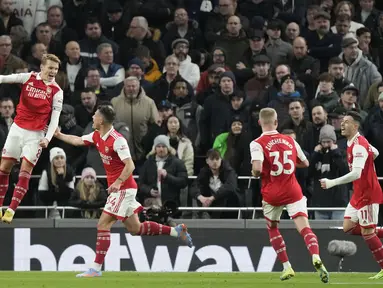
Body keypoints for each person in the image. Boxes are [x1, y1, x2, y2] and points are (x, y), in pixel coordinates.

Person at [54, 104, 193, 278]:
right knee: (136, 229)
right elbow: (78, 140)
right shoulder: (97, 135)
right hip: (120, 189)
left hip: (123, 189)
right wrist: (59, 135)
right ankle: (175, 231)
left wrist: (118, 182)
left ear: (102, 120)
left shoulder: (117, 140)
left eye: (95, 116)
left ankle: (96, 269)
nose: (92, 118)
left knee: (103, 224)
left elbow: (130, 165)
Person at [250, 108, 329, 283]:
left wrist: (257, 173)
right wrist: (290, 167)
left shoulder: (257, 143)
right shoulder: (290, 140)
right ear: (276, 122)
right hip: (293, 190)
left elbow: (256, 168)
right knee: (305, 228)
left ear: (260, 123)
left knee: (272, 228)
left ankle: (287, 267)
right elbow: (306, 162)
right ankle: (315, 256)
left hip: (272, 193)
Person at [0, 53, 63, 223]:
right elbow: (5, 79)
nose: (53, 71)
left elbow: (55, 119)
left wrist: (47, 139)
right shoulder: (29, 77)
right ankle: (0, 206)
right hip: (17, 129)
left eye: (56, 69)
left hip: (35, 136)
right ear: (42, 67)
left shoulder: (57, 91)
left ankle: (11, 210)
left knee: (25, 173)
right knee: (3, 169)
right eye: (50, 68)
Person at [320, 111, 383, 280]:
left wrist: (332, 182)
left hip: (368, 193)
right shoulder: (354, 142)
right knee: (348, 227)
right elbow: (375, 152)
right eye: (342, 121)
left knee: (368, 233)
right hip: (358, 193)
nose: (342, 124)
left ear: (355, 126)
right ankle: (380, 231)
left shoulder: (359, 145)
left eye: (346, 122)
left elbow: (355, 173)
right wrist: (369, 160)